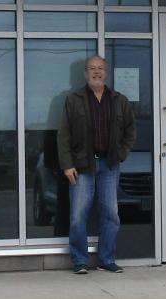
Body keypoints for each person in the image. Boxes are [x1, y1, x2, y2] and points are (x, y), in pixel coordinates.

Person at [58, 55, 136, 274]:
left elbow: (130, 131)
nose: (96, 72)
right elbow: (63, 136)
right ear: (85, 73)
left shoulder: (119, 100)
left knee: (111, 214)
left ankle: (106, 259)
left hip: (109, 165)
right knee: (77, 216)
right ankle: (80, 260)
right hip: (82, 167)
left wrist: (120, 153)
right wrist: (67, 164)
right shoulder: (73, 99)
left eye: (100, 68)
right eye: (92, 68)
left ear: (106, 73)